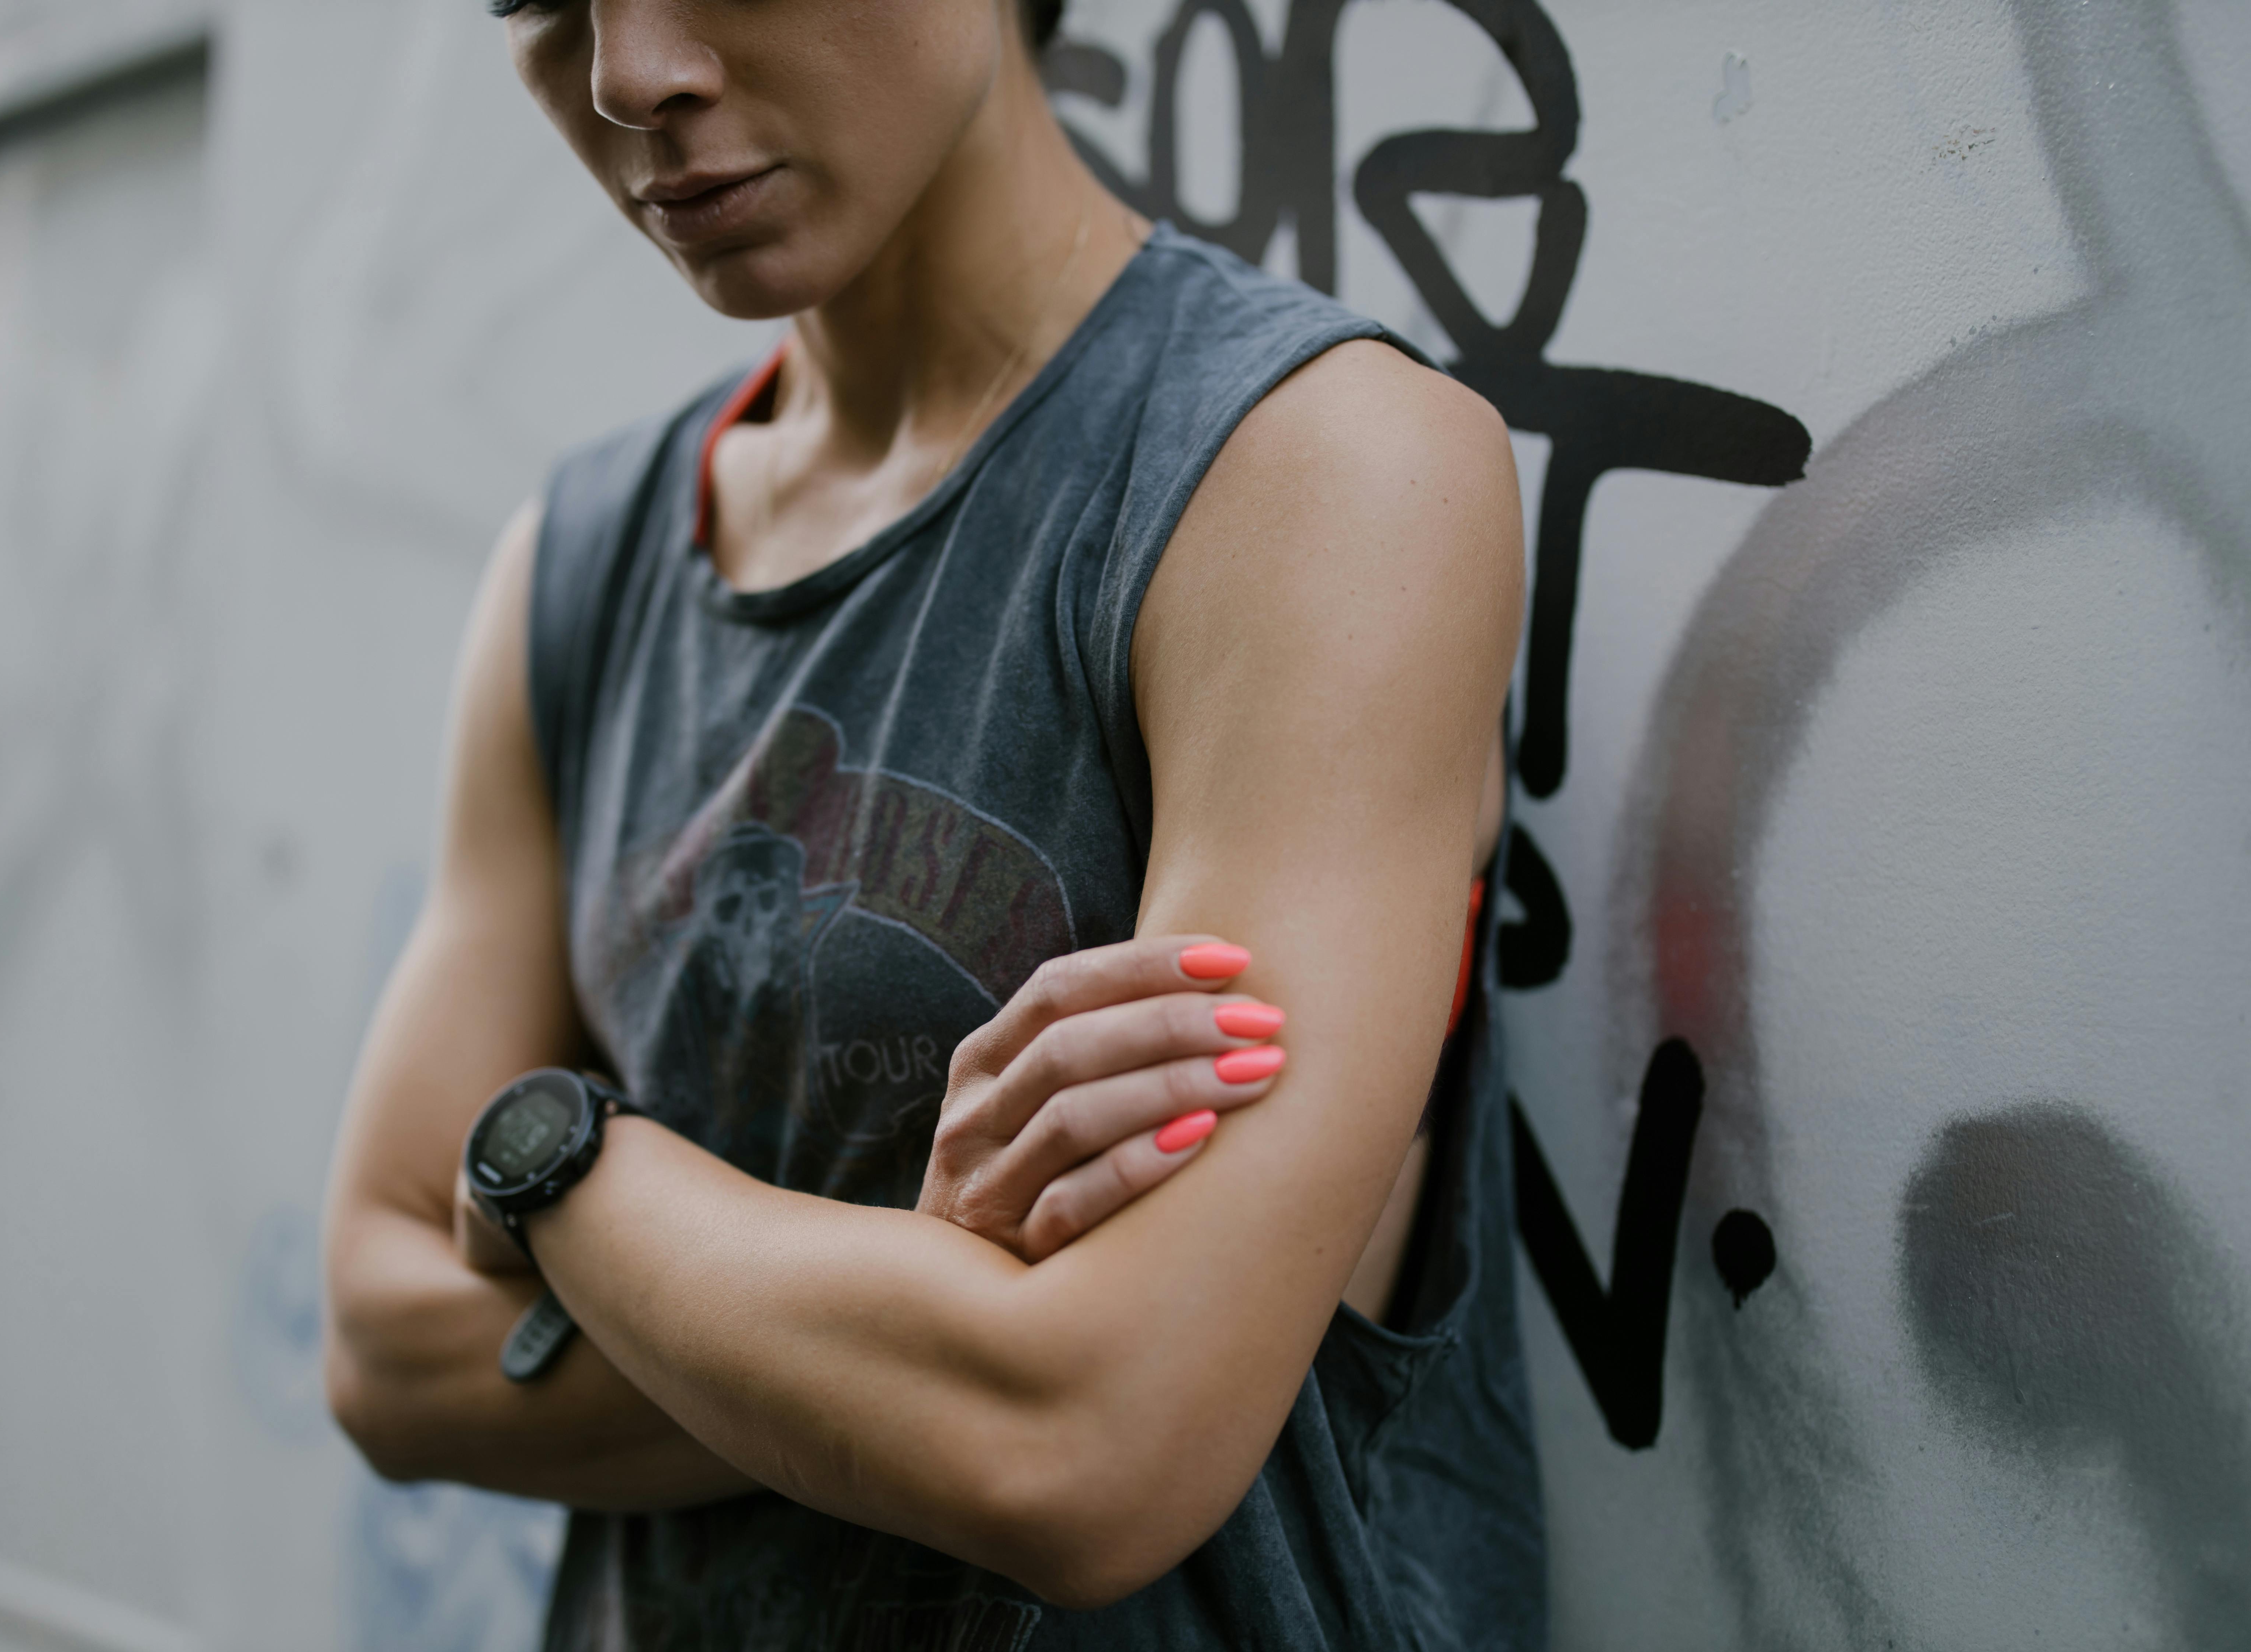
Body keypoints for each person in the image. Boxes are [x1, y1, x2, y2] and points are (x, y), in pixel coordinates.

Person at [320, 0, 1541, 1644]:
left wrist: (563, 1169)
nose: (628, 76)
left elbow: (1085, 1442)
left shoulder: (1310, 469)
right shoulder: (579, 567)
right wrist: (914, 1315)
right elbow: (382, 1348)